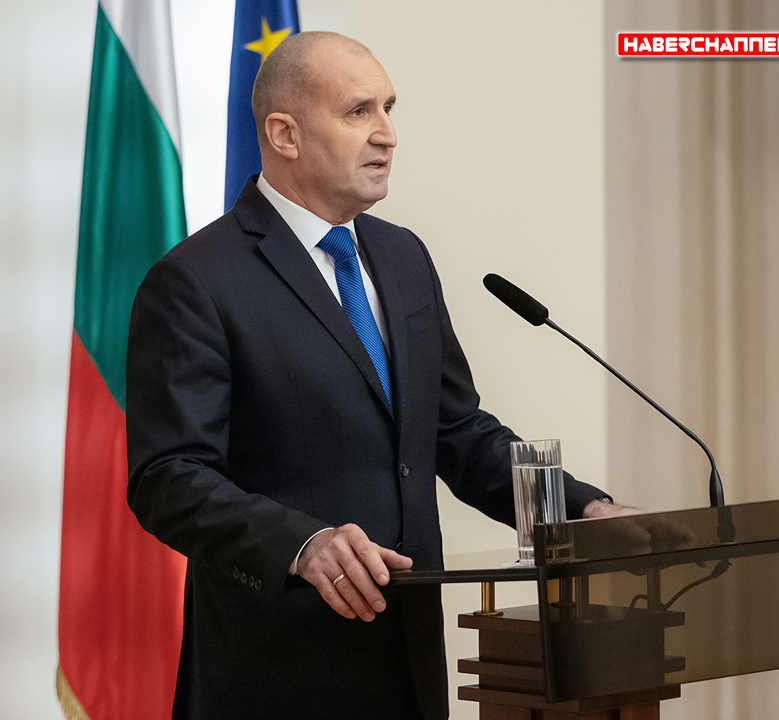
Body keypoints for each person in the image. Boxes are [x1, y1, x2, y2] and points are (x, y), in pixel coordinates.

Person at [125, 31, 628, 720]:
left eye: (389, 109)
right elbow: (169, 478)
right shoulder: (197, 281)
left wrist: (582, 512)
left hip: (408, 659)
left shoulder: (402, 257)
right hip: (276, 670)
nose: (387, 134)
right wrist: (302, 544)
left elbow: (454, 430)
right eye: (358, 112)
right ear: (284, 134)